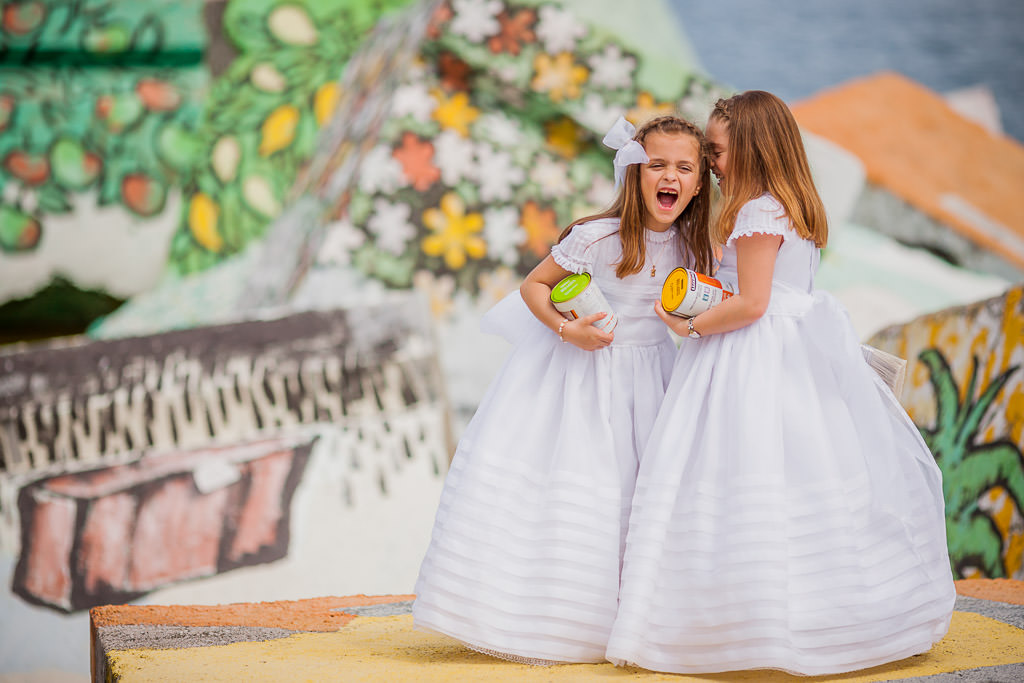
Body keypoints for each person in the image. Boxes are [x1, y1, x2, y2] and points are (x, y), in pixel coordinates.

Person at [606, 91, 956, 676]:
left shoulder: (757, 211)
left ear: (746, 145)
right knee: (806, 476)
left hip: (753, 356)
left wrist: (686, 324)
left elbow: (751, 303)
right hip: (791, 350)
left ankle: (745, 623)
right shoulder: (788, 203)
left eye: (715, 151)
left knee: (740, 472)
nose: (712, 162)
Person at [412, 115, 714, 664]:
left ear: (698, 182)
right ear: (635, 173)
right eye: (658, 165)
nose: (669, 176)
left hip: (651, 378)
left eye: (684, 167)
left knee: (640, 489)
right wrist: (566, 329)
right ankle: (552, 620)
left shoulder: (694, 244)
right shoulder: (597, 237)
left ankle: (630, 617)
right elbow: (535, 285)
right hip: (583, 375)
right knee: (585, 484)